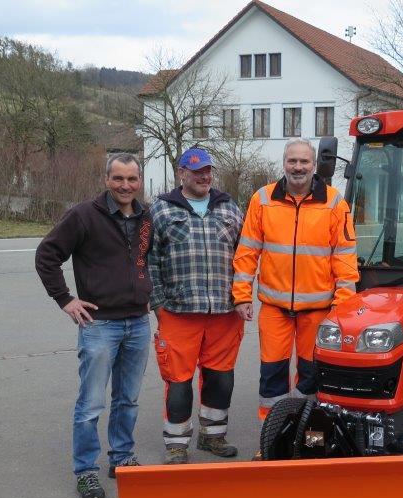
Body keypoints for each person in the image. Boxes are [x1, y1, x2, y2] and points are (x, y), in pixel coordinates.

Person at [35, 153, 151, 498]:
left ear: (139, 182)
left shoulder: (146, 218)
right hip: (100, 324)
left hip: (138, 322)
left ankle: (122, 457)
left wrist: (149, 291)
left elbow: (149, 259)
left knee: (128, 399)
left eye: (132, 179)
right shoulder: (83, 216)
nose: (125, 185)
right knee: (91, 403)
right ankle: (86, 470)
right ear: (106, 180)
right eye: (118, 179)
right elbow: (47, 255)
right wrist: (65, 300)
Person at [232, 138, 359, 433]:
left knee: (312, 379)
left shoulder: (334, 203)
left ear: (314, 165)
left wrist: (341, 309)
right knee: (272, 379)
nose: (298, 167)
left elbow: (345, 259)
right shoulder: (262, 199)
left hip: (318, 313)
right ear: (284, 163)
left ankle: (308, 440)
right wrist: (241, 296)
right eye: (293, 161)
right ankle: (273, 439)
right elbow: (247, 251)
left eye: (304, 161)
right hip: (274, 310)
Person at [148, 148, 245, 464]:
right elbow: (150, 261)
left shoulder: (229, 206)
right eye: (196, 171)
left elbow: (247, 255)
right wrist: (159, 304)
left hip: (224, 312)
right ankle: (176, 443)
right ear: (182, 173)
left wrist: (242, 297)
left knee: (221, 378)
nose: (204, 176)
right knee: (178, 382)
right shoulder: (161, 210)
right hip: (178, 311)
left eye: (207, 170)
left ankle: (213, 437)